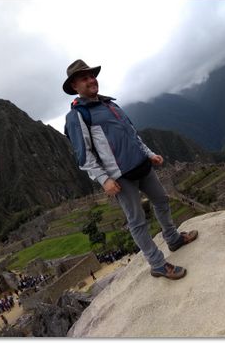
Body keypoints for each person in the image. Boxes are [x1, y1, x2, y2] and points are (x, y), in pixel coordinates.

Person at [63, 59, 198, 280]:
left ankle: (173, 239)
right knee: (137, 221)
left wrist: (149, 153)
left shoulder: (110, 105)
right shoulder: (78, 116)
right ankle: (157, 264)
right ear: (74, 86)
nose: (91, 80)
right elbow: (83, 155)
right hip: (121, 177)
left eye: (91, 76)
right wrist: (104, 179)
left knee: (162, 200)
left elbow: (132, 135)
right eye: (84, 78)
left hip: (141, 166)